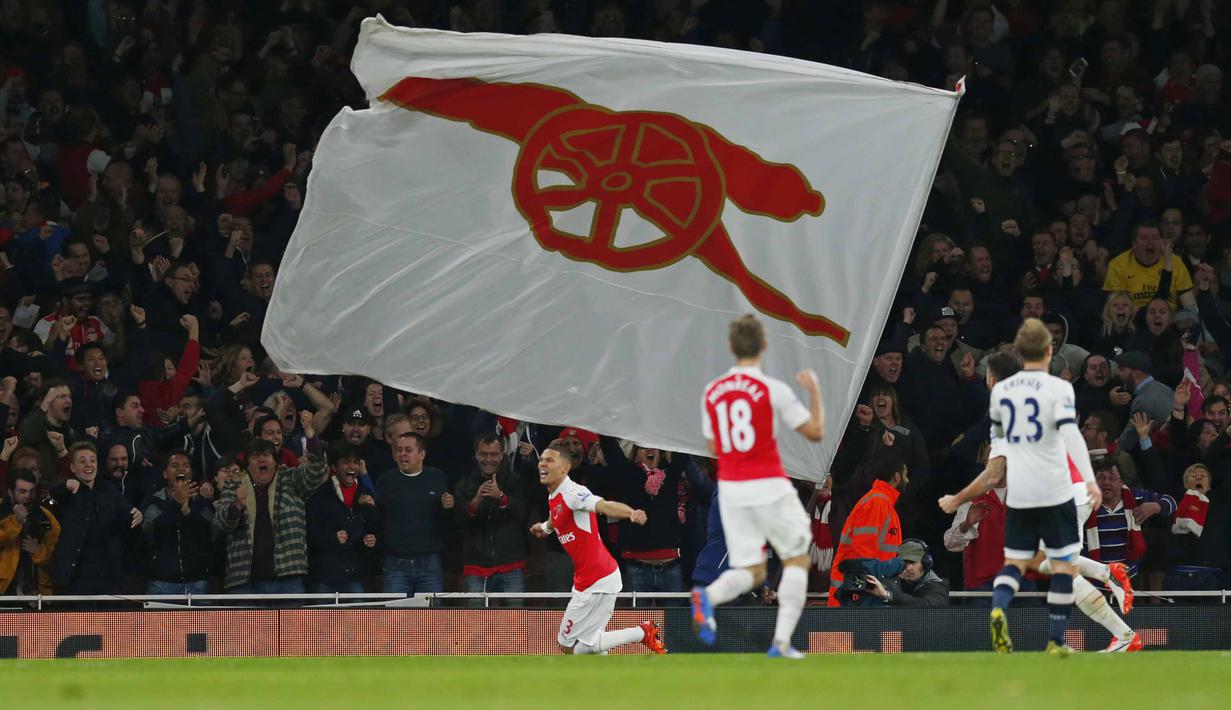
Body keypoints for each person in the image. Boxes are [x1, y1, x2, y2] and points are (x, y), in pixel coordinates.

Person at [939, 318, 1100, 655]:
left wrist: (957, 498)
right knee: (1063, 565)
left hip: (1021, 495)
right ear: (1048, 350)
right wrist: (1089, 480)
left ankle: (998, 607)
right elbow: (1072, 437)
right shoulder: (1059, 388)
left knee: (1012, 564)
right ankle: (1057, 641)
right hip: (1052, 488)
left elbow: (995, 471)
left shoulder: (1002, 395)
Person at [692, 314, 825, 658]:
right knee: (796, 559)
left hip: (732, 489)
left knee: (752, 570)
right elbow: (814, 432)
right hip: (766, 483)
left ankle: (709, 596)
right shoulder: (771, 388)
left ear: (730, 347)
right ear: (764, 346)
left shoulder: (712, 391)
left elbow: (712, 447)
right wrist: (814, 392)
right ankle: (781, 643)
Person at [529, 443, 666, 655]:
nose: (542, 464)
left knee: (568, 644)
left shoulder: (574, 493)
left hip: (598, 579)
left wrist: (630, 513)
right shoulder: (554, 495)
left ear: (565, 468)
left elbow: (604, 505)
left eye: (549, 460)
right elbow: (557, 516)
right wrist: (544, 528)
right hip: (589, 578)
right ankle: (605, 683)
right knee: (591, 644)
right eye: (541, 460)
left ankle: (642, 632)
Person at [213, 430, 328, 596]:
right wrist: (236, 505)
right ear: (247, 465)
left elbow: (316, 471)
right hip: (244, 583)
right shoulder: (234, 486)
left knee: (291, 624)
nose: (261, 459)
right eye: (255, 456)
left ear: (275, 462)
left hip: (288, 579)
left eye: (266, 455)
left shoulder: (291, 479)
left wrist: (310, 436)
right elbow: (221, 523)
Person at [828, 447, 909, 607]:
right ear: (897, 476)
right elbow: (863, 556)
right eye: (906, 475)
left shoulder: (881, 502)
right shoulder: (877, 503)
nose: (908, 480)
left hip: (866, 591)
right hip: (858, 596)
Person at [454, 432, 528, 604]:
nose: (489, 459)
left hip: (510, 565)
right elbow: (460, 522)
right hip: (476, 567)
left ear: (502, 455)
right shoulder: (464, 485)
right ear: (476, 455)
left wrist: (500, 496)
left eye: (493, 454)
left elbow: (521, 514)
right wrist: (477, 499)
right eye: (484, 454)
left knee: (515, 623)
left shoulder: (515, 482)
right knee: (477, 625)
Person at [375, 432, 452, 595]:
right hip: (395, 564)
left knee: (429, 619)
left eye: (408, 450)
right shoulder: (386, 480)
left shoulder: (437, 477)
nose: (402, 454)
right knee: (396, 620)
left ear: (422, 454)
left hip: (429, 563)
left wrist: (447, 507)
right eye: (399, 450)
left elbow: (446, 521)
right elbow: (377, 518)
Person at [306, 442, 380, 594]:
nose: (352, 467)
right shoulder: (320, 495)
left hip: (356, 577)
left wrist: (369, 540)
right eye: (346, 462)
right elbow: (310, 533)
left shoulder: (366, 495)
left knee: (355, 619)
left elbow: (376, 527)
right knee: (323, 619)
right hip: (325, 578)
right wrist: (332, 538)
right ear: (334, 467)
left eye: (355, 462)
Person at [142, 450, 214, 596]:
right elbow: (151, 532)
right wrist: (175, 504)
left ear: (191, 473)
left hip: (198, 583)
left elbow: (211, 534)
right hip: (162, 584)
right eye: (175, 465)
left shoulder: (203, 503)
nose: (181, 469)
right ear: (165, 474)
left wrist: (188, 512)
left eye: (186, 466)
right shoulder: (153, 502)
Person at [0, 468, 60, 595]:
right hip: (4, 590)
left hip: (35, 594)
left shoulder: (46, 517)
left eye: (31, 491)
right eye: (22, 491)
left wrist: (39, 550)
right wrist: (15, 522)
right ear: (10, 492)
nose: (28, 496)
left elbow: (59, 555)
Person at [862, 539, 950, 606]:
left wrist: (887, 595)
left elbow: (924, 605)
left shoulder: (936, 586)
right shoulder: (894, 580)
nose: (907, 568)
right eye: (903, 563)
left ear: (926, 563)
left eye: (912, 562)